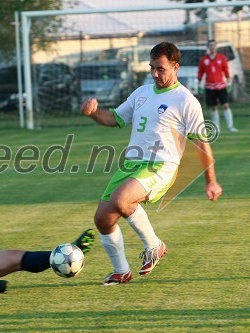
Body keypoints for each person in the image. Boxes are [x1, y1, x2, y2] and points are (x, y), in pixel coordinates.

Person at [80, 42, 222, 286]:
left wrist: (211, 181)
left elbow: (202, 142)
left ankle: (154, 245)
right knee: (103, 219)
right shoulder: (141, 92)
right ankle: (121, 271)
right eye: (152, 68)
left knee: (122, 199)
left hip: (161, 165)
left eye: (161, 69)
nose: (155, 74)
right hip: (132, 164)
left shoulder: (186, 100)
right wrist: (93, 112)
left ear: (175, 66)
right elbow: (114, 118)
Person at [197, 39, 238, 132]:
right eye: (210, 45)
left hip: (221, 86)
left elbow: (226, 70)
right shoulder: (204, 60)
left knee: (225, 105)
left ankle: (230, 126)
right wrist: (199, 84)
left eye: (213, 45)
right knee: (213, 107)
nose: (212, 47)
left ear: (216, 47)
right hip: (209, 87)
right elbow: (200, 72)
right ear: (208, 47)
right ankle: (216, 128)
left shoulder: (222, 58)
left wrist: (228, 80)